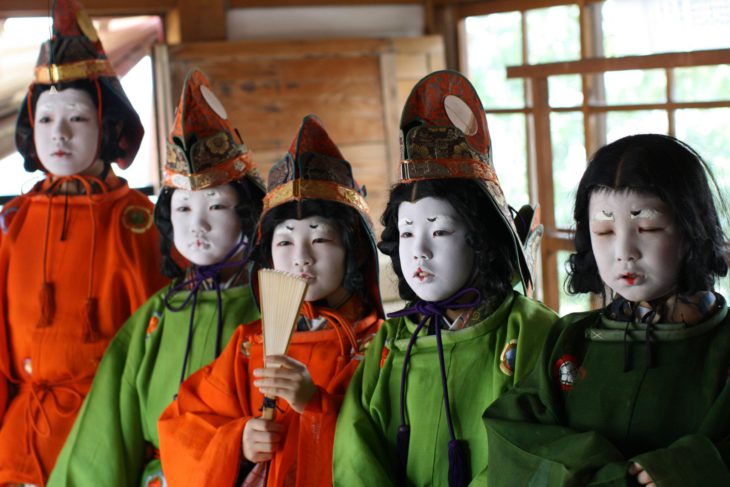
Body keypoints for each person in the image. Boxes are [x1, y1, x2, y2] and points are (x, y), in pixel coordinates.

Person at [332, 70, 557, 487]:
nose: (419, 250)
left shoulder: (531, 331)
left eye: (439, 231)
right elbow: (355, 448)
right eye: (406, 232)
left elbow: (532, 450)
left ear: (481, 238)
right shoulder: (392, 339)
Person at [47, 69, 266, 487]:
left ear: (248, 214)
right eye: (183, 209)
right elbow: (107, 426)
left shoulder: (270, 306)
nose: (196, 224)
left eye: (215, 207)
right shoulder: (158, 314)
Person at [484, 133, 730, 486]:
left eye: (647, 226)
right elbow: (512, 433)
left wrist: (693, 467)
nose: (623, 250)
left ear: (692, 228)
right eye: (603, 230)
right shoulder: (569, 340)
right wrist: (598, 469)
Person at [157, 114, 384, 487]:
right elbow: (184, 423)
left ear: (354, 249)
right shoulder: (251, 344)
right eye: (284, 241)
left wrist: (316, 406)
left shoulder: (380, 348)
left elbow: (390, 448)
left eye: (320, 239)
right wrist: (239, 441)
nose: (301, 257)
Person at [0, 0, 167, 484]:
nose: (60, 134)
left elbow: (154, 347)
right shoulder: (15, 220)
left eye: (76, 117)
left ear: (107, 126)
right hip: (22, 432)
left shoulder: (138, 220)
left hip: (105, 427)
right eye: (47, 120)